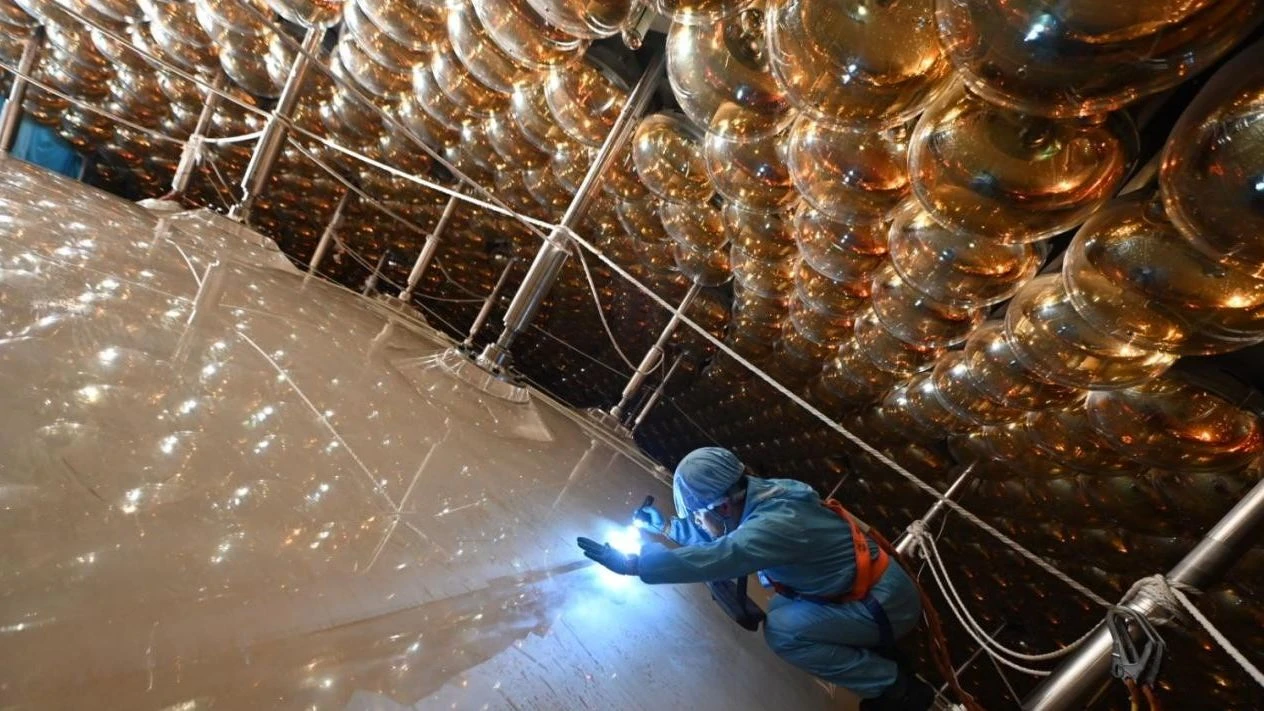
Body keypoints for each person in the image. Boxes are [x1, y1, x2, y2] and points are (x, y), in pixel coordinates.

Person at [577, 447, 936, 710]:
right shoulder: (759, 495)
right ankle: (871, 659)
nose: (699, 522)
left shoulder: (774, 525)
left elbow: (722, 555)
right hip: (859, 590)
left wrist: (637, 564)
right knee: (782, 608)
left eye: (699, 516)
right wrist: (670, 526)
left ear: (720, 506)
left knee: (784, 631)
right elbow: (725, 537)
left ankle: (894, 687)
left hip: (883, 604)